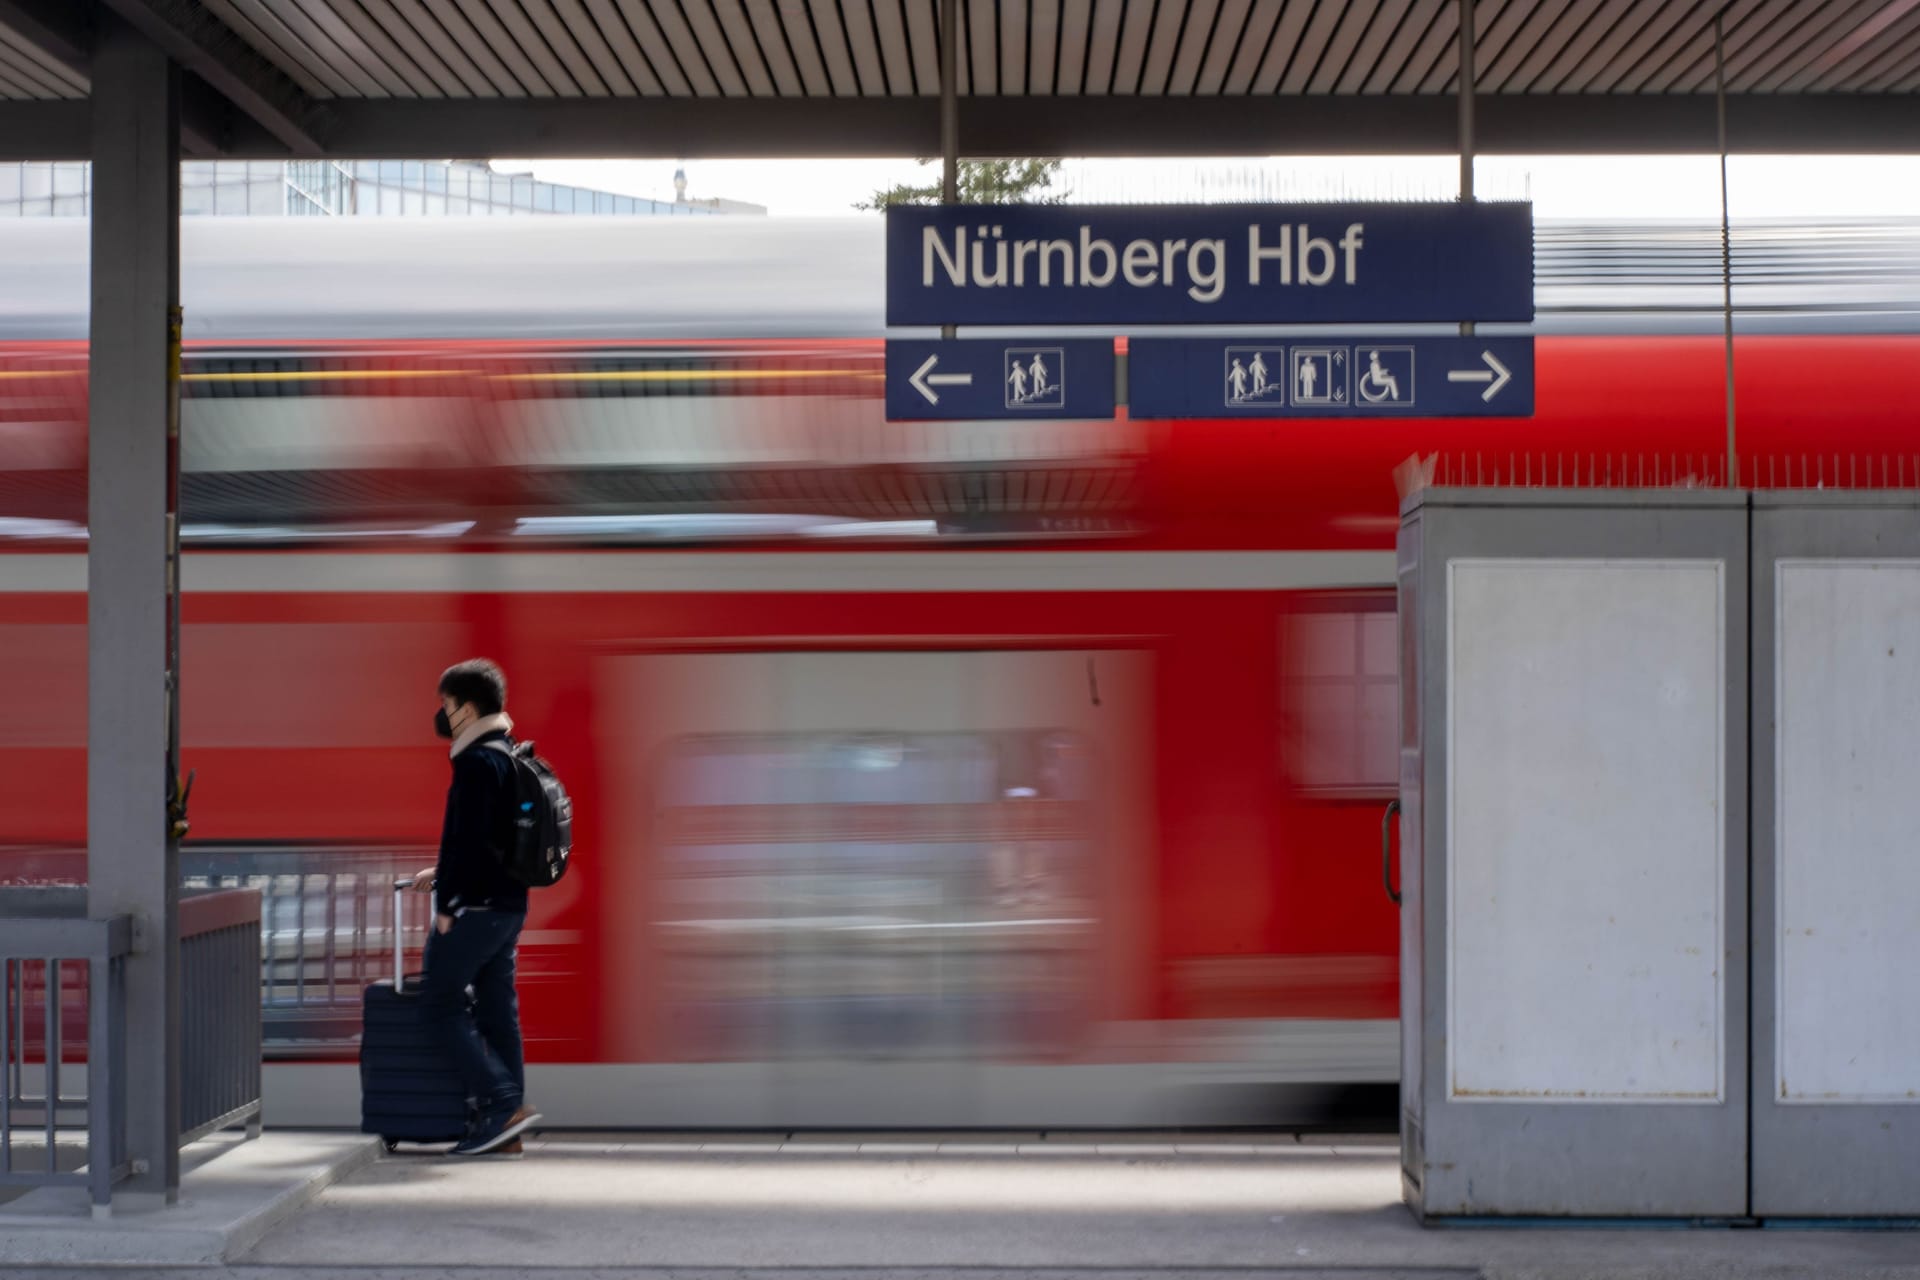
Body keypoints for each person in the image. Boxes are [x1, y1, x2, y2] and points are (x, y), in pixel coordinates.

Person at [410, 658, 542, 1157]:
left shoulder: (473, 762)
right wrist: (441, 874)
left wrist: (449, 903)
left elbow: (465, 840)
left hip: (477, 909)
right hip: (509, 908)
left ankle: (501, 1103)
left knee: (437, 1005)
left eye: (446, 704)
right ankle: (509, 1128)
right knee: (495, 1012)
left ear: (465, 708)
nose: (442, 714)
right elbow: (493, 842)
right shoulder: (505, 754)